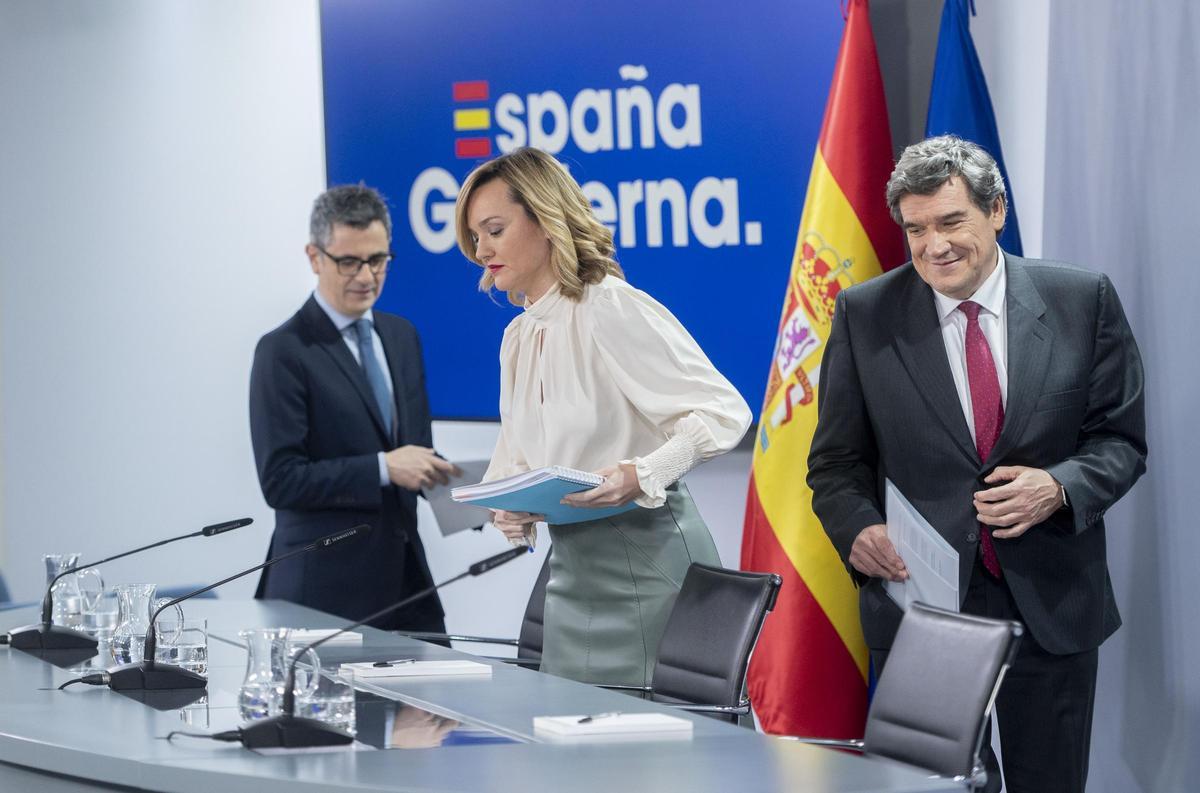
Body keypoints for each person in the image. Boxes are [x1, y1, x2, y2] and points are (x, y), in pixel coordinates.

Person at [808, 135, 1146, 793]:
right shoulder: (864, 316)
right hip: (924, 612)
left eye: (950, 221)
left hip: (1050, 600)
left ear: (996, 210)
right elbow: (835, 463)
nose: (934, 245)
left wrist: (1058, 485)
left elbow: (1121, 440)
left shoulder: (1082, 301)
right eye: (916, 229)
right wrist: (858, 529)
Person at [454, 148, 752, 687]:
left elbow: (725, 410)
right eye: (475, 238)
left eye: (494, 230)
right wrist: (510, 509)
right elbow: (517, 458)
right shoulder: (519, 336)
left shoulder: (608, 306)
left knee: (658, 761)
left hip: (652, 563)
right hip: (571, 575)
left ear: (545, 219)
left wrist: (644, 473)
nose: (482, 251)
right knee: (572, 751)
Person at [249, 185, 456, 631]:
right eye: (349, 262)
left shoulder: (402, 337)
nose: (367, 276)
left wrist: (468, 494)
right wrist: (383, 468)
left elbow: (413, 454)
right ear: (314, 257)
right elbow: (280, 481)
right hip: (321, 594)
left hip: (407, 585)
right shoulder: (283, 351)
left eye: (378, 260)